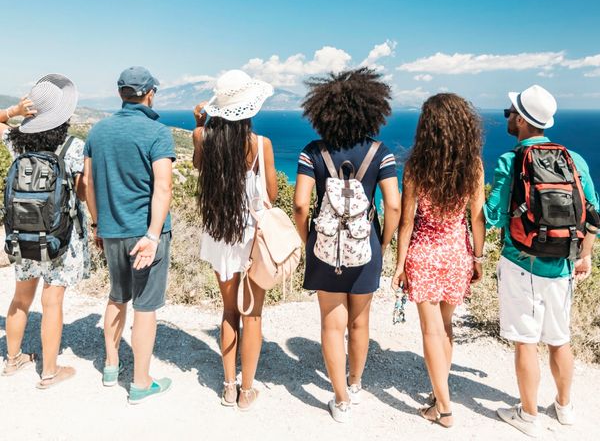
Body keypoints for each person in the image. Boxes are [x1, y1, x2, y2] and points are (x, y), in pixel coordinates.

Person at [486, 85, 599, 437]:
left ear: (521, 120)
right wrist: (586, 255)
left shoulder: (511, 161)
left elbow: (493, 217)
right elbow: (593, 214)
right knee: (559, 339)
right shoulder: (574, 159)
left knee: (526, 340)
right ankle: (564, 408)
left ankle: (528, 415)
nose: (507, 115)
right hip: (563, 264)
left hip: (521, 262)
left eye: (510, 111)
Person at [293, 68, 401, 423]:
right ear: (372, 109)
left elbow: (300, 204)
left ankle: (340, 401)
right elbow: (394, 204)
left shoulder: (312, 152)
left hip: (325, 248)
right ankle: (355, 384)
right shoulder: (380, 153)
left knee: (331, 323)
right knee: (360, 321)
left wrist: (306, 239)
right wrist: (382, 242)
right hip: (364, 245)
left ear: (321, 110)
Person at [391, 93, 485, 428]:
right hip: (457, 253)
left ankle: (443, 408)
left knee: (431, 331)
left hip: (424, 254)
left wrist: (399, 265)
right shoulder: (473, 166)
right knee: (446, 328)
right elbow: (477, 218)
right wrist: (478, 258)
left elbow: (406, 221)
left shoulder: (416, 165)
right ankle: (437, 392)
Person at [84, 67, 175, 404]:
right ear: (149, 92)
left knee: (116, 295)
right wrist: (152, 235)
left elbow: (88, 184)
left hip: (111, 230)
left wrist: (97, 225)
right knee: (146, 306)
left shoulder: (98, 131)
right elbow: (163, 188)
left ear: (121, 93)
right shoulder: (157, 132)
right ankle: (140, 382)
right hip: (144, 234)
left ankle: (111, 366)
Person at [193, 69, 277, 411]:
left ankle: (228, 386)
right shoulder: (260, 145)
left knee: (228, 310)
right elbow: (271, 193)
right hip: (251, 236)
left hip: (219, 232)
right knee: (252, 314)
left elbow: (199, 166)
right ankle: (247, 390)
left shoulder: (203, 138)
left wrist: (199, 120)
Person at [1, 74, 89, 388]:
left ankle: (12, 361)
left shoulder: (15, 141)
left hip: (22, 233)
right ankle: (49, 371)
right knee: (52, 302)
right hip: (60, 237)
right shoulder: (73, 146)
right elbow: (82, 191)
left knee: (21, 298)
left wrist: (12, 113)